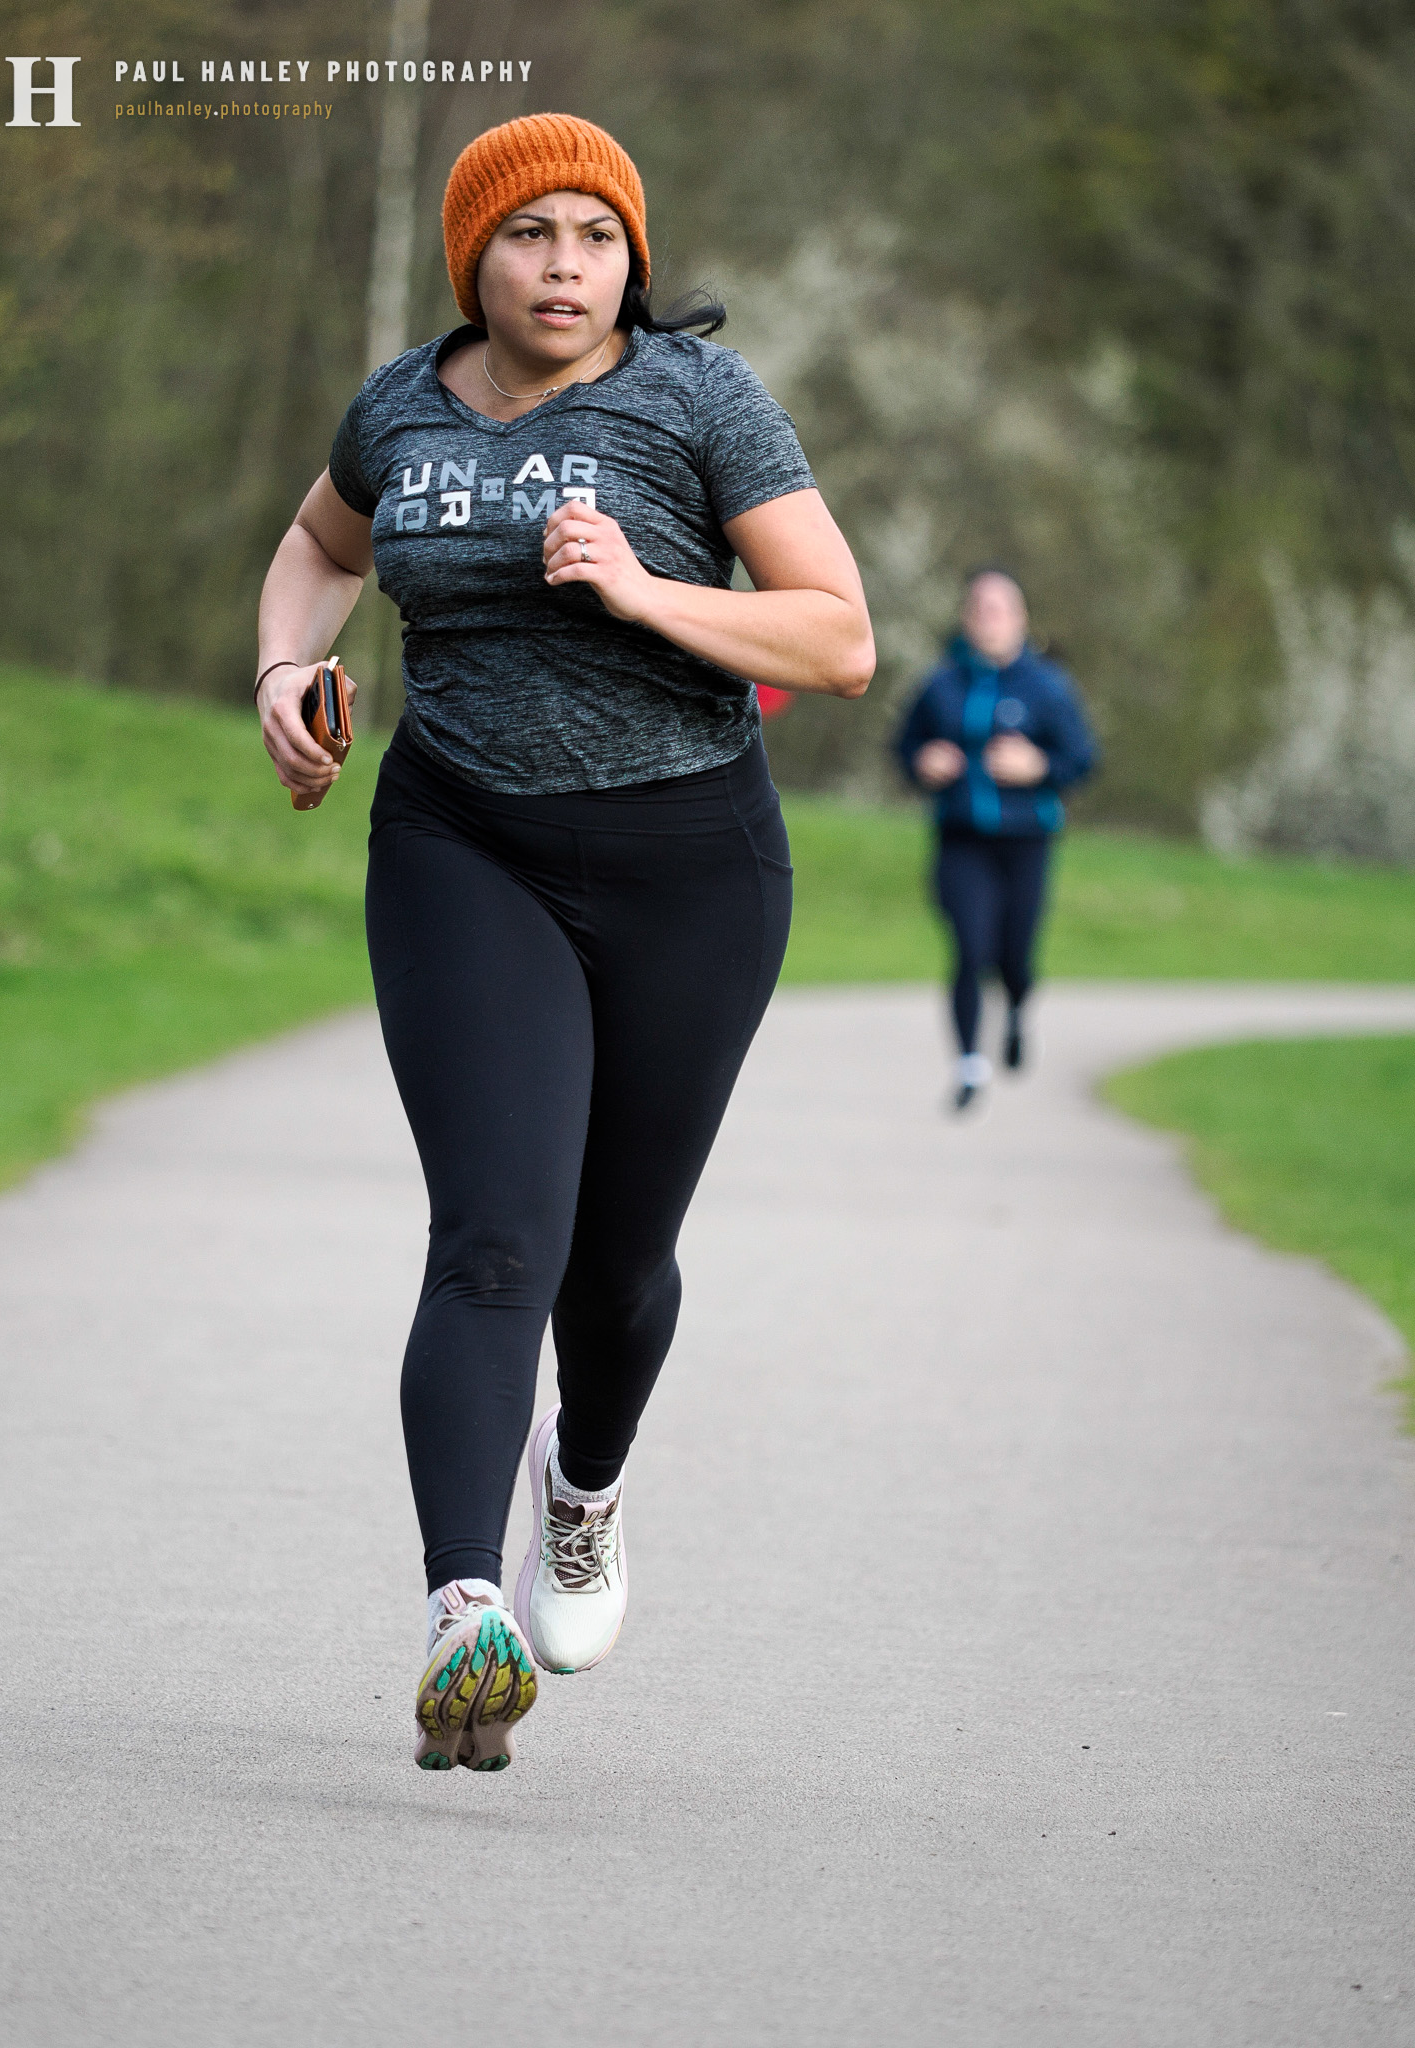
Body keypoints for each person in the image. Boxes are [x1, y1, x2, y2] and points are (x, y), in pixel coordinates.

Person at [253, 114, 874, 1770]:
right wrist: (278, 674)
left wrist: (648, 593)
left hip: (692, 863)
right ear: (476, 253)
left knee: (616, 1263)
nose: (566, 266)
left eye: (597, 239)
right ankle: (466, 1606)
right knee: (492, 1239)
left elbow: (839, 637)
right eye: (532, 236)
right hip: (465, 843)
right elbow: (319, 547)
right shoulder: (398, 405)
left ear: (633, 261)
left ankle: (580, 1490)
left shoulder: (699, 403)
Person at [894, 568, 1097, 1111]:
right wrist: (923, 761)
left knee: (1015, 957)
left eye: (1000, 609)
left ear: (1020, 620)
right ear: (965, 618)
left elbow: (1082, 758)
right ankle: (969, 1067)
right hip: (960, 838)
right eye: (979, 608)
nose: (989, 618)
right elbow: (905, 745)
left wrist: (1038, 766)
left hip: (1027, 840)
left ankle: (1015, 1012)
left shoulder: (1048, 687)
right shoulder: (940, 683)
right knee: (968, 947)